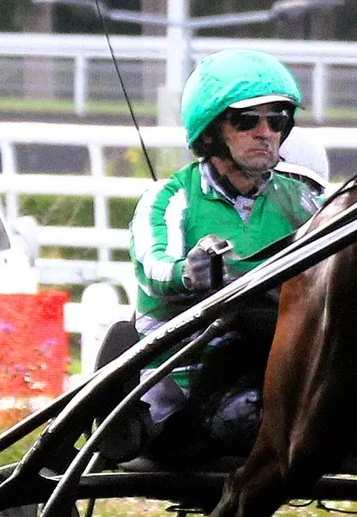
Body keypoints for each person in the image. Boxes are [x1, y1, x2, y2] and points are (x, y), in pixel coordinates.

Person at [106, 48, 322, 461]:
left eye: (276, 120)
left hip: (273, 371)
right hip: (180, 397)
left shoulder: (304, 202)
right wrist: (188, 272)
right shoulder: (170, 198)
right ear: (211, 131)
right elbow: (152, 267)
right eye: (246, 120)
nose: (265, 132)